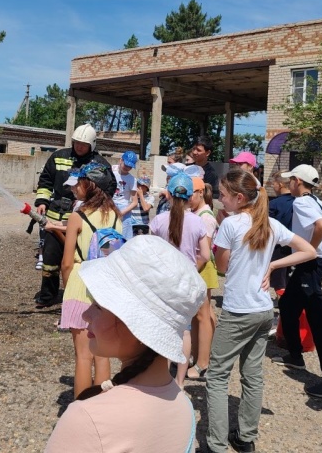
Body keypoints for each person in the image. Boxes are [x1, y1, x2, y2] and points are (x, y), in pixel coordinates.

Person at [45, 236, 207, 453]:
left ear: (136, 326)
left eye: (99, 306)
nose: (85, 314)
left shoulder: (87, 420)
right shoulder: (183, 407)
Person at [206, 168, 317, 453]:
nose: (220, 199)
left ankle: (216, 445)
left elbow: (221, 267)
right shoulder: (270, 224)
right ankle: (245, 438)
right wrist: (274, 264)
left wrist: (270, 263)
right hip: (263, 310)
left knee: (217, 376)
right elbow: (309, 250)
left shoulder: (231, 225)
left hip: (237, 311)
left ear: (239, 197)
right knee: (252, 375)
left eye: (223, 195)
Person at [272, 164, 322, 399]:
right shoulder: (316, 201)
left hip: (311, 265)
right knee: (287, 306)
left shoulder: (302, 203)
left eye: (291, 180)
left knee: (318, 320)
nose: (289, 184)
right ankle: (295, 355)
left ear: (297, 181)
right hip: (313, 263)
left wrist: (313, 249)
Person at [52, 162, 120, 399]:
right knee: (102, 354)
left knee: (83, 355)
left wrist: (70, 286)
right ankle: (102, 406)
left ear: (90, 186)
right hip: (107, 288)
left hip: (81, 283)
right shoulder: (115, 215)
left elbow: (67, 263)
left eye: (79, 183)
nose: (75, 188)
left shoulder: (76, 217)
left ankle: (81, 410)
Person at [33, 124, 116, 309]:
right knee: (50, 259)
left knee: (79, 260)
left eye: (83, 144)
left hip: (82, 219)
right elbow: (45, 180)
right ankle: (48, 295)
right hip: (55, 216)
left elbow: (109, 188)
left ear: (92, 145)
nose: (79, 147)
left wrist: (90, 205)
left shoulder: (100, 164)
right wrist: (42, 202)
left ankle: (79, 296)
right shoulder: (58, 157)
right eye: (76, 143)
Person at [149, 172, 211, 386]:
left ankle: (162, 378)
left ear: (169, 195)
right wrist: (192, 267)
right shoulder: (198, 222)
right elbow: (205, 255)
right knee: (184, 331)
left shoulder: (158, 220)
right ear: (189, 196)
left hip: (163, 281)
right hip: (186, 281)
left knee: (165, 329)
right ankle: (180, 381)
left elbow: (151, 252)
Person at [188, 177, 219, 381]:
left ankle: (203, 362)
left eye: (190, 194)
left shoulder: (205, 217)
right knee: (196, 316)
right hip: (196, 267)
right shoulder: (196, 213)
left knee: (203, 315)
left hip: (202, 268)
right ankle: (198, 355)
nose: (187, 199)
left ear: (200, 193)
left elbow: (204, 251)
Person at [267, 170, 295, 293]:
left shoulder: (274, 204)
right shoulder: (299, 202)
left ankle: (284, 307)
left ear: (281, 184)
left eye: (274, 183)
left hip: (278, 246)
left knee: (279, 280)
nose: (273, 186)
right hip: (295, 244)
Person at [112, 151, 138, 240]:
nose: (127, 168)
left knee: (124, 238)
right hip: (110, 205)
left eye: (130, 166)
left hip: (124, 209)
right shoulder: (111, 172)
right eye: (126, 164)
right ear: (120, 160)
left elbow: (135, 202)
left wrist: (122, 213)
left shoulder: (132, 179)